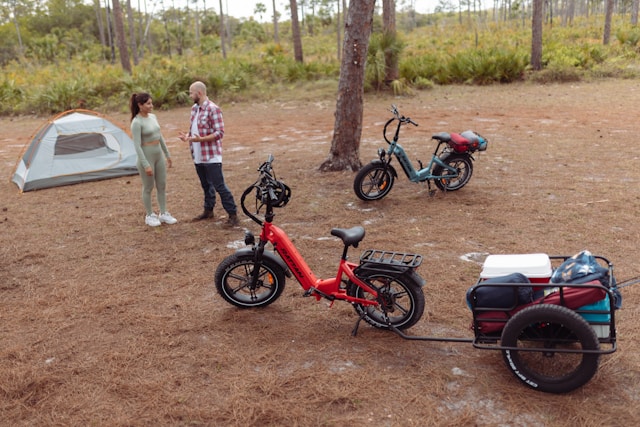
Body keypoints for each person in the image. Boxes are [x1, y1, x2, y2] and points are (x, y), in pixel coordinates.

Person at [179, 81, 239, 227]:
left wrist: (201, 139)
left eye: (191, 92)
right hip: (198, 154)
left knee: (219, 185)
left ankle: (233, 214)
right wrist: (188, 137)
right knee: (206, 185)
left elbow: (219, 133)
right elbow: (195, 130)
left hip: (211, 155)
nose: (189, 95)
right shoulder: (194, 109)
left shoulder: (213, 109)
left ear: (199, 93)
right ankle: (208, 210)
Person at [130, 92, 177, 227]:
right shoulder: (137, 122)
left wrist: (167, 154)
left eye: (151, 103)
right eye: (148, 104)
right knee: (148, 187)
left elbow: (160, 136)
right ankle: (150, 215)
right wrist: (146, 165)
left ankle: (164, 213)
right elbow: (137, 146)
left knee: (161, 185)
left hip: (158, 155)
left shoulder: (153, 117)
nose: (151, 106)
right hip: (146, 156)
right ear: (140, 105)